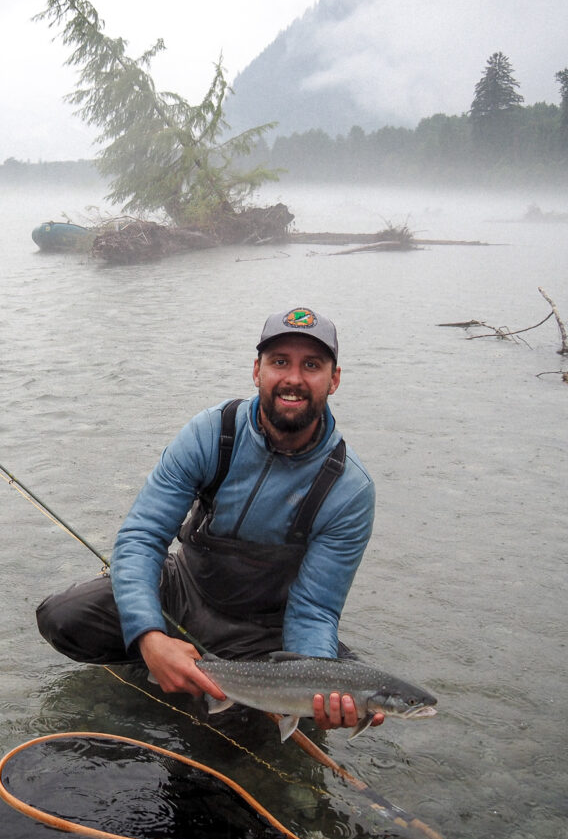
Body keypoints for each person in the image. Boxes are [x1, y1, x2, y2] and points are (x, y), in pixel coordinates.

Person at [37, 306, 382, 733]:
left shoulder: (349, 489)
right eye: (279, 362)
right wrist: (149, 637)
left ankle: (231, 687)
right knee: (62, 618)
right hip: (184, 588)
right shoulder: (211, 433)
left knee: (229, 741)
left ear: (334, 379)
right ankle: (155, 663)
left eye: (311, 365)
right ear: (257, 371)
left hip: (259, 631)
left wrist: (318, 686)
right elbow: (142, 538)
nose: (293, 378)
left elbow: (314, 609)